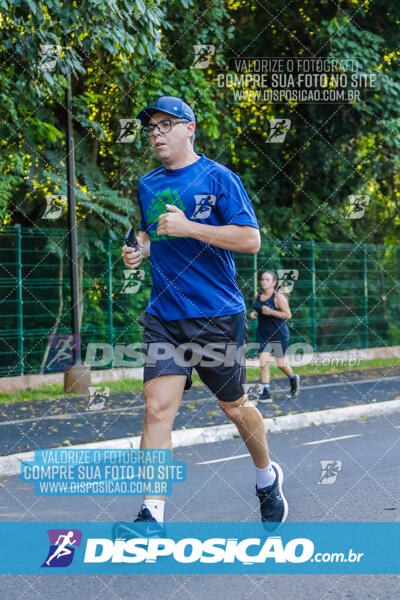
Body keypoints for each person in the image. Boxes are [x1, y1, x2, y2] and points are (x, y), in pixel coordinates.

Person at [114, 96, 288, 537]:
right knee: (156, 410)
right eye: (151, 126)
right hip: (165, 316)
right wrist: (140, 251)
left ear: (190, 128)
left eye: (165, 124)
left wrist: (191, 227)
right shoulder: (148, 184)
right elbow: (152, 234)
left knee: (234, 408)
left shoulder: (219, 178)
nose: (156, 132)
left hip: (216, 316)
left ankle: (267, 477)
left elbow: (251, 240)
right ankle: (152, 516)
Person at [249, 270, 300, 401]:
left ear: (274, 283)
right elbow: (256, 309)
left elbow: (288, 315)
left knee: (281, 364)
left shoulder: (278, 297)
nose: (263, 282)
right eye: (262, 279)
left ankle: (293, 378)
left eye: (267, 280)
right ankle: (266, 392)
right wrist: (254, 314)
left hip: (279, 335)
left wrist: (271, 312)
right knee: (263, 362)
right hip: (263, 334)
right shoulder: (258, 295)